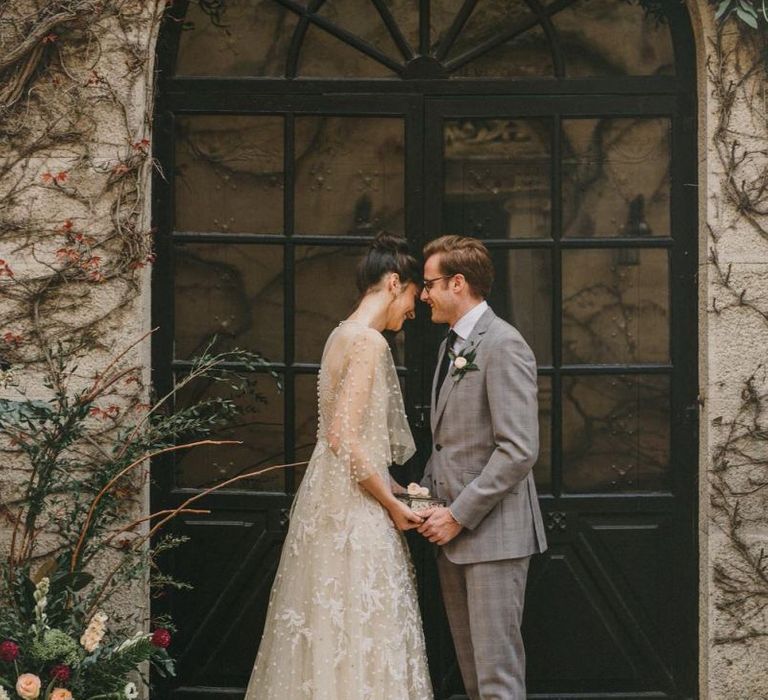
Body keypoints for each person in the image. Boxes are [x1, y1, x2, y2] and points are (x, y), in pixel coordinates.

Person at [245, 233, 433, 699]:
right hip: (354, 511)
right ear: (394, 283)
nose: (413, 311)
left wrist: (396, 485)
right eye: (412, 296)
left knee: (327, 627)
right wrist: (392, 503)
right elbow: (343, 437)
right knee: (362, 626)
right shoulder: (369, 343)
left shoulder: (339, 335)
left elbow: (349, 441)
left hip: (326, 500)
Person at [417, 235, 547, 700]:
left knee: (497, 680)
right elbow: (450, 442)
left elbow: (518, 449)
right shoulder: (450, 345)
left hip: (492, 537)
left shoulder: (504, 344)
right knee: (475, 679)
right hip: (453, 537)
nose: (422, 294)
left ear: (458, 282)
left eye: (429, 283)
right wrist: (424, 498)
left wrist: (456, 515)